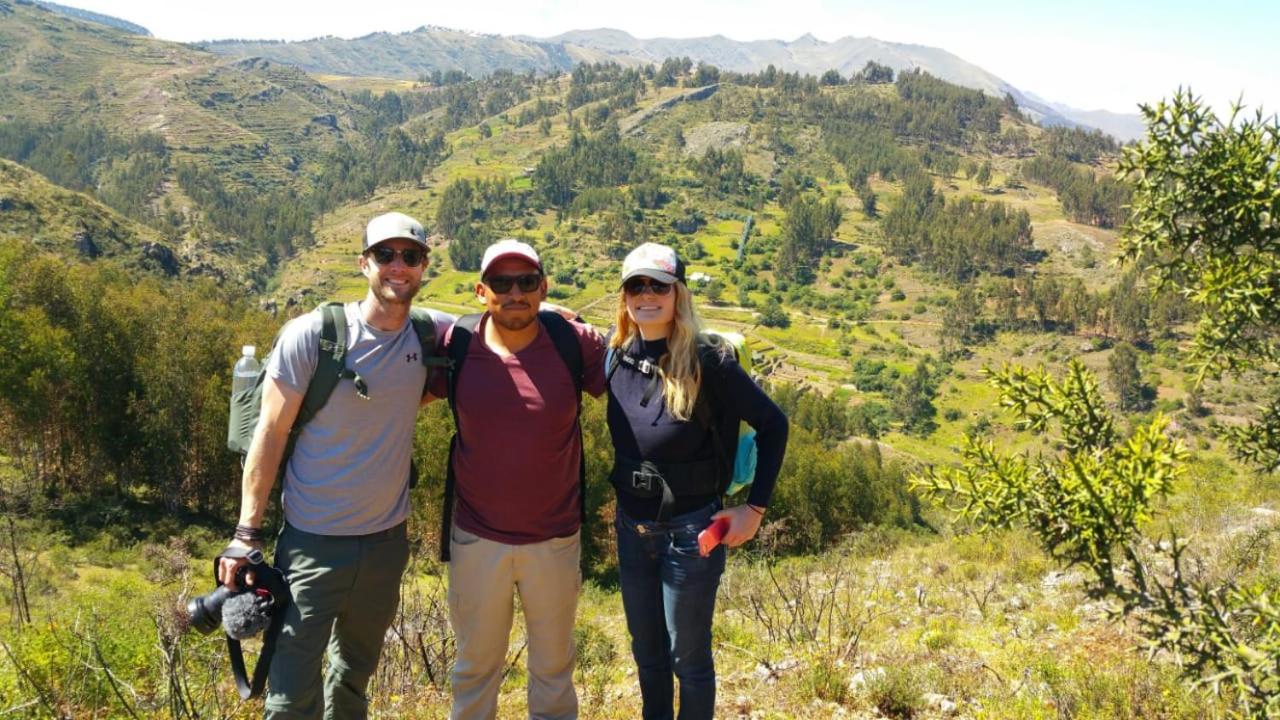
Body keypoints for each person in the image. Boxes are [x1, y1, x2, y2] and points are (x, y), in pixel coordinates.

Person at [218, 211, 453, 719]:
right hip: (311, 545)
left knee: (352, 680)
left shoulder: (428, 334)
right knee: (288, 693)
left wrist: (557, 314)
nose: (398, 266)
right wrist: (246, 533)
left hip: (386, 545)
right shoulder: (315, 336)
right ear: (364, 262)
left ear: (423, 266)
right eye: (385, 255)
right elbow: (270, 433)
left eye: (409, 256)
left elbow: (500, 322)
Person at [606, 242, 788, 720]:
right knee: (646, 654)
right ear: (624, 296)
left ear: (678, 294)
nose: (647, 294)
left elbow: (775, 425)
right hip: (632, 530)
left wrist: (755, 509)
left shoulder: (709, 362)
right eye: (636, 285)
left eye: (658, 285)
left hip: (691, 533)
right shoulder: (616, 358)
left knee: (687, 659)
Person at [442, 239, 606, 720]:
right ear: (480, 291)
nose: (515, 293)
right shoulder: (455, 344)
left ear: (543, 288)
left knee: (554, 670)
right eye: (501, 283)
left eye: (527, 282)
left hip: (554, 541)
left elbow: (634, 387)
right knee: (474, 668)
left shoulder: (573, 343)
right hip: (476, 539)